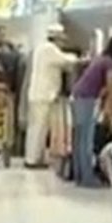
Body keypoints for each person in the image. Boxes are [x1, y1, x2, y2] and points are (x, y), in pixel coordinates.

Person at [70, 35, 112, 187]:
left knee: (79, 139)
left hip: (77, 96)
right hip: (87, 99)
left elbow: (104, 88)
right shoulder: (110, 63)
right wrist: (110, 114)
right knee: (86, 140)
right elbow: (110, 89)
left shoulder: (101, 59)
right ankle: (87, 178)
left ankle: (79, 176)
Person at [25, 24, 79, 168]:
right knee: (39, 127)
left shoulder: (42, 48)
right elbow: (67, 60)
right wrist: (80, 58)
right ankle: (32, 160)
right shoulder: (49, 49)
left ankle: (36, 157)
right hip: (43, 95)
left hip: (40, 94)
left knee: (39, 128)